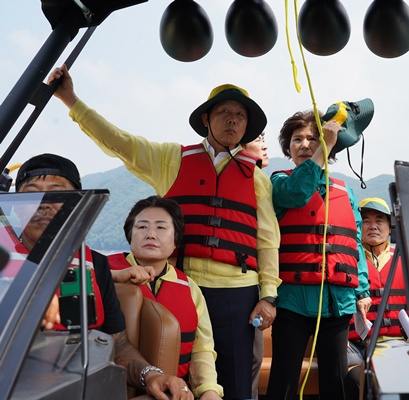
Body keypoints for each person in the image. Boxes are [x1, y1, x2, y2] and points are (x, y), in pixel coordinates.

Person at [48, 65, 280, 400]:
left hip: (238, 293)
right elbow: (120, 142)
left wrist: (268, 296)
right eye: (225, 112)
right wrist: (71, 100)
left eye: (240, 116)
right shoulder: (171, 158)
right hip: (182, 281)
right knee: (173, 371)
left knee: (237, 382)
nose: (233, 120)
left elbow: (268, 242)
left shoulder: (257, 178)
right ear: (206, 119)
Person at [15, 153, 192, 400]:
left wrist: (152, 376)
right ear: (15, 204)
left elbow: (118, 346)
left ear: (78, 204)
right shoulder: (4, 259)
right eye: (31, 193)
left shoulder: (95, 265)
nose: (44, 203)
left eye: (58, 193)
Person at [266, 109, 371, 400]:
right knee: (283, 383)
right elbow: (298, 192)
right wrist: (320, 153)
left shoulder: (346, 191)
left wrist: (362, 290)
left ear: (327, 143)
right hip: (292, 301)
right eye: (297, 139)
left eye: (313, 139)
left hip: (338, 303)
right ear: (288, 148)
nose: (304, 144)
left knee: (335, 382)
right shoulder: (278, 182)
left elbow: (354, 242)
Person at [108, 195, 223, 399]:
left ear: (176, 239)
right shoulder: (102, 273)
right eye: (142, 227)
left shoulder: (190, 288)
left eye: (161, 227)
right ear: (130, 234)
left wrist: (209, 390)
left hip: (174, 394)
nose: (151, 234)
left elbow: (202, 349)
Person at [344, 197, 409, 399]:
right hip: (354, 345)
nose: (373, 226)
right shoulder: (346, 257)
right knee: (343, 370)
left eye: (379, 220)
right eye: (366, 221)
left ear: (390, 228)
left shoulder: (408, 259)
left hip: (397, 341)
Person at [242, 131, 269, 400]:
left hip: (259, 287)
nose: (265, 145)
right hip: (241, 284)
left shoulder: (265, 183)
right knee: (249, 358)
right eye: (259, 139)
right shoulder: (243, 183)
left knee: (253, 358)